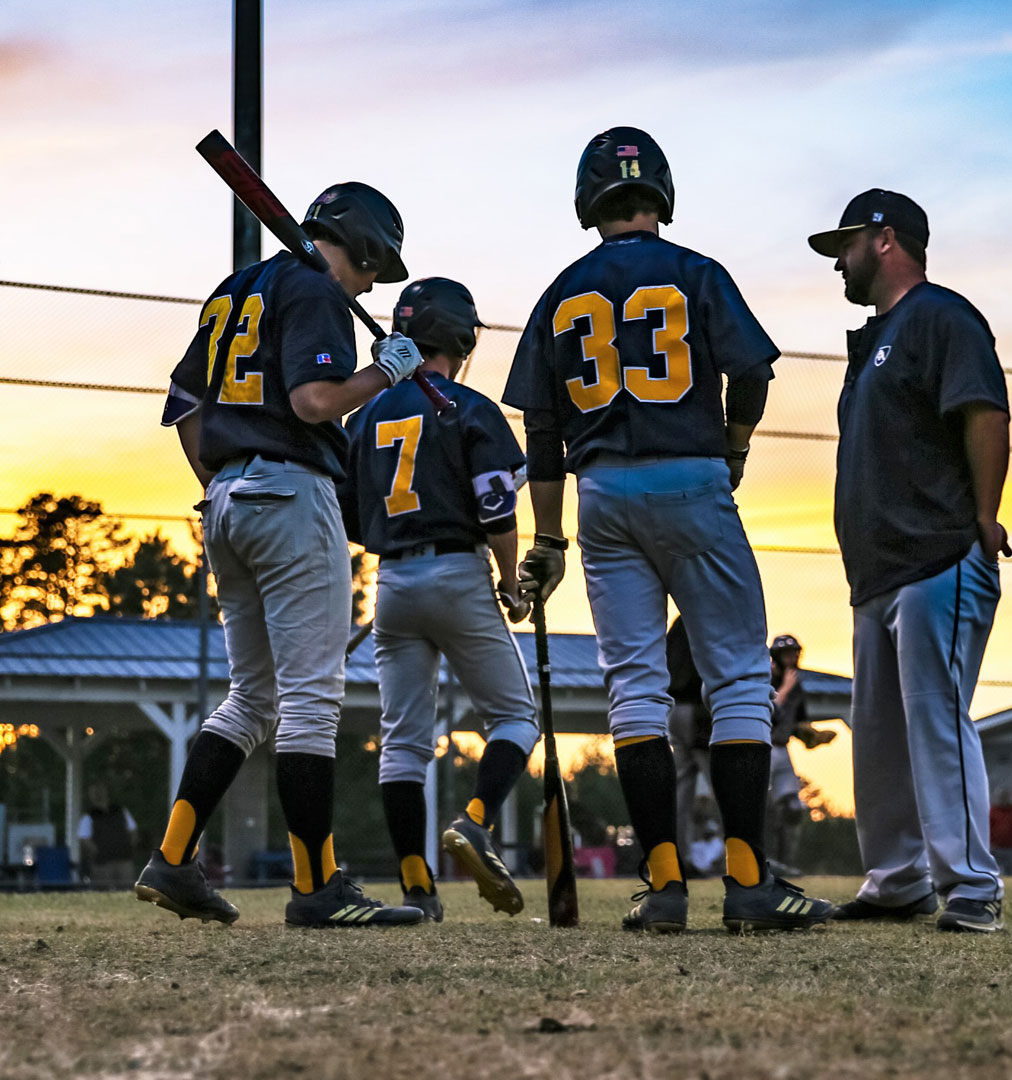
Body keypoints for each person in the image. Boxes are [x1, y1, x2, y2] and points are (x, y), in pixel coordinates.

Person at [506, 126, 832, 934]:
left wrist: (547, 539)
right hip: (690, 475)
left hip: (602, 495)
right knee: (736, 681)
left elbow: (541, 433)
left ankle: (662, 885)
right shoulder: (695, 271)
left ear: (590, 200)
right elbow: (752, 371)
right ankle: (750, 883)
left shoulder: (560, 293)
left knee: (636, 689)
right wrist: (734, 442)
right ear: (660, 192)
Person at [136, 181, 427, 929]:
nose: (368, 283)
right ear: (360, 246)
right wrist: (384, 374)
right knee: (308, 699)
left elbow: (183, 403)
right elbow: (314, 403)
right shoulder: (316, 287)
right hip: (291, 495)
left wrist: (221, 483)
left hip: (226, 502)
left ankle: (172, 859)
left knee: (252, 697)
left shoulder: (235, 290)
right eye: (374, 268)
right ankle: (316, 888)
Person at [808, 189, 1012, 933]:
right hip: (878, 573)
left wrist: (983, 520)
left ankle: (971, 884)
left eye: (847, 245)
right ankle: (896, 879)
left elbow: (985, 410)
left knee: (934, 720)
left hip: (936, 557)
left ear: (885, 239)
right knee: (882, 737)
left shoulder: (940, 316)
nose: (839, 262)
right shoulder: (876, 338)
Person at [341, 276, 538, 923]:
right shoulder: (469, 407)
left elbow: (348, 517)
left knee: (403, 744)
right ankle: (476, 822)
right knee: (514, 718)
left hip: (390, 581)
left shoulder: (364, 413)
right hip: (456, 571)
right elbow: (496, 507)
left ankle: (416, 891)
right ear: (461, 336)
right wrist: (510, 583)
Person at [766, 634, 833, 871]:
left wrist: (811, 735)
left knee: (792, 808)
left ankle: (785, 862)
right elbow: (768, 712)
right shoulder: (768, 679)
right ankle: (764, 860)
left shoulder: (796, 683)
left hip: (782, 749)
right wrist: (783, 689)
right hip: (762, 748)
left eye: (795, 653)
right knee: (764, 807)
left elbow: (798, 722)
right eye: (787, 654)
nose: (792, 658)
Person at [664, 615, 715, 869]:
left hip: (674, 708)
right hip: (697, 709)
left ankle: (681, 857)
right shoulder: (703, 617)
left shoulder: (676, 626)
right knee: (721, 784)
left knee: (682, 788)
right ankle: (738, 856)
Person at [79, 782, 138, 889]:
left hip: (124, 860)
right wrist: (99, 852)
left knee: (127, 890)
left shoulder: (120, 811)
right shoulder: (89, 816)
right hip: (102, 863)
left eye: (100, 790)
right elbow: (85, 839)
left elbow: (133, 831)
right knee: (104, 890)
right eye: (94, 792)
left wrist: (128, 848)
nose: (98, 794)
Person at [989, 788, 1012, 877]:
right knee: (997, 870)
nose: (1002, 799)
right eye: (1000, 797)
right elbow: (988, 827)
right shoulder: (992, 811)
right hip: (996, 847)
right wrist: (991, 843)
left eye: (1004, 797)